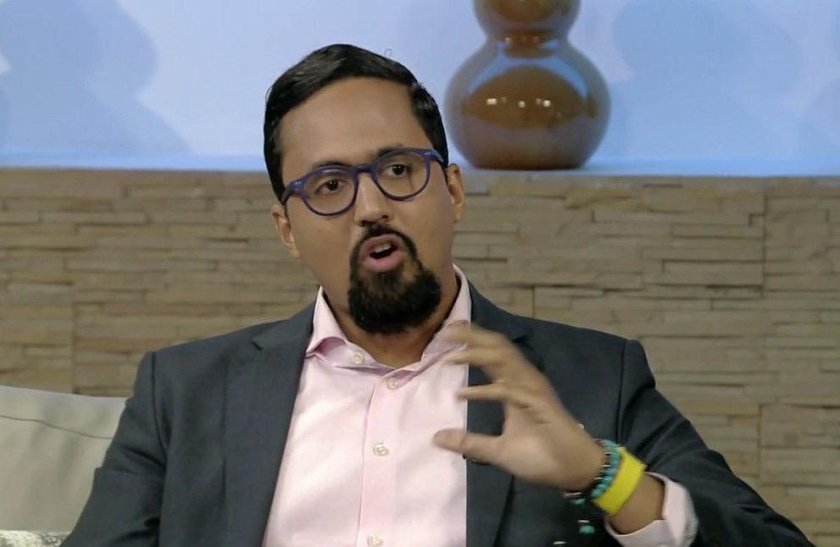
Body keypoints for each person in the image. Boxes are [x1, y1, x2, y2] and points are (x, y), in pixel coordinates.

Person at [64, 44, 812, 547]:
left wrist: (604, 475)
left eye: (398, 170)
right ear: (287, 229)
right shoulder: (185, 392)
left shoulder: (591, 379)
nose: (370, 207)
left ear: (452, 190)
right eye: (329, 185)